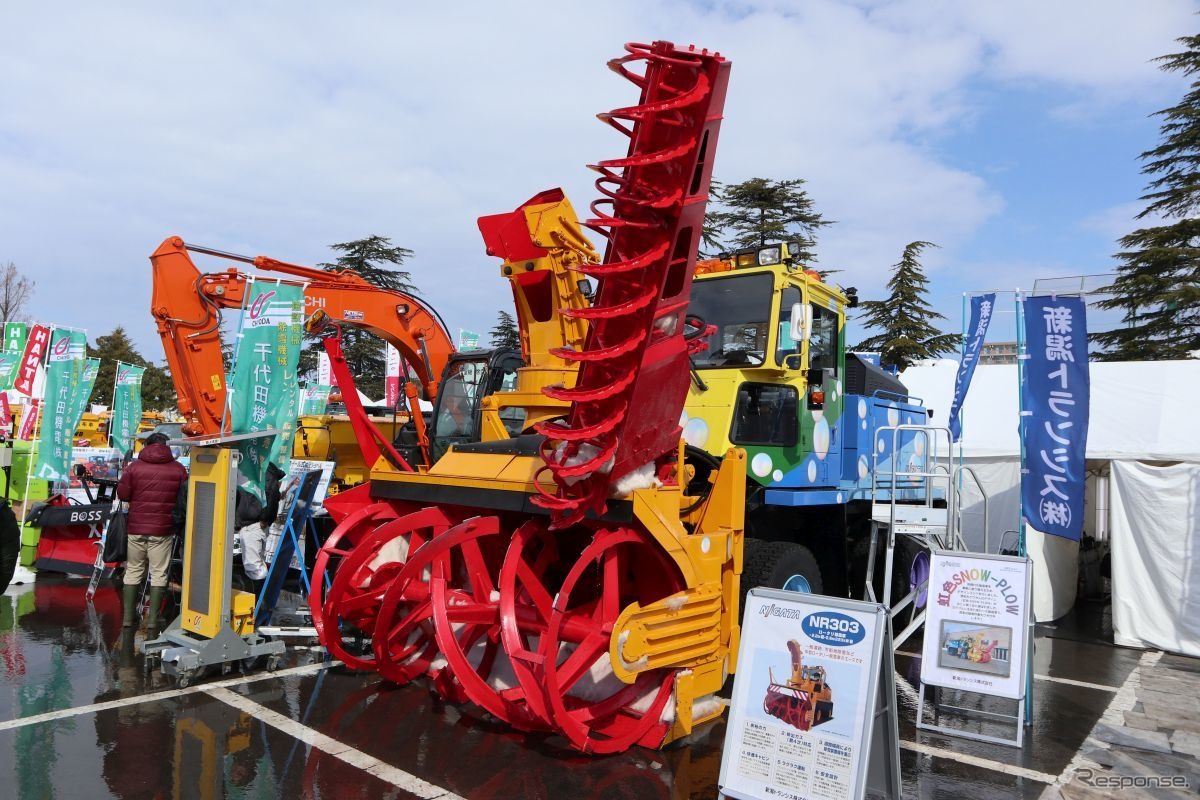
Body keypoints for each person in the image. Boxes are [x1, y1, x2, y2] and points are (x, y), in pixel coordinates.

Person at [116, 431, 188, 636]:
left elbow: (123, 494)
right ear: (167, 445)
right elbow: (184, 497)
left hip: (136, 528)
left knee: (133, 570)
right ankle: (153, 621)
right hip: (163, 529)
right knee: (159, 573)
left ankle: (128, 619)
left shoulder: (134, 467)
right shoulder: (178, 469)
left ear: (147, 445)